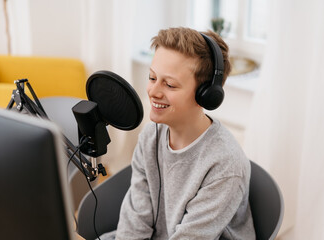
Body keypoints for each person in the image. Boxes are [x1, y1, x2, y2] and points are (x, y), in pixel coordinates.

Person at [104, 27, 255, 239]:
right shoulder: (150, 137)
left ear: (206, 95)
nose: (154, 92)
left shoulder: (225, 163)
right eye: (152, 77)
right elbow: (135, 222)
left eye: (170, 84)